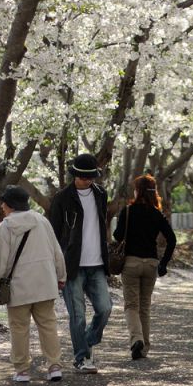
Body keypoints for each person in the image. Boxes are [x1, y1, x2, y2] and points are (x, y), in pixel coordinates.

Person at [0, 185, 66, 384]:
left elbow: (0, 260)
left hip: (19, 285)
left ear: (8, 205)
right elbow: (56, 252)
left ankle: (22, 369)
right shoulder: (42, 221)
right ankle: (54, 365)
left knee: (19, 327)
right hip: (45, 281)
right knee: (48, 324)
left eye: (3, 204)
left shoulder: (5, 227)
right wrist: (61, 276)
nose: (1, 207)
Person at [48, 153, 112, 374]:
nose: (88, 181)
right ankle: (82, 358)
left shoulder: (101, 194)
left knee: (105, 309)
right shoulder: (62, 198)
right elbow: (53, 234)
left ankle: (86, 340)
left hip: (97, 263)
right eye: (84, 177)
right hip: (71, 265)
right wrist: (56, 266)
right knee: (78, 315)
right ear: (74, 175)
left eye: (91, 177)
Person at [114, 174, 177, 360]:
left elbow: (118, 236)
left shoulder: (128, 211)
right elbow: (172, 239)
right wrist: (164, 263)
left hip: (131, 263)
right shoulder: (157, 214)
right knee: (145, 307)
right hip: (151, 264)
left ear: (137, 190)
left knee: (131, 305)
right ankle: (144, 347)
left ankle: (136, 340)